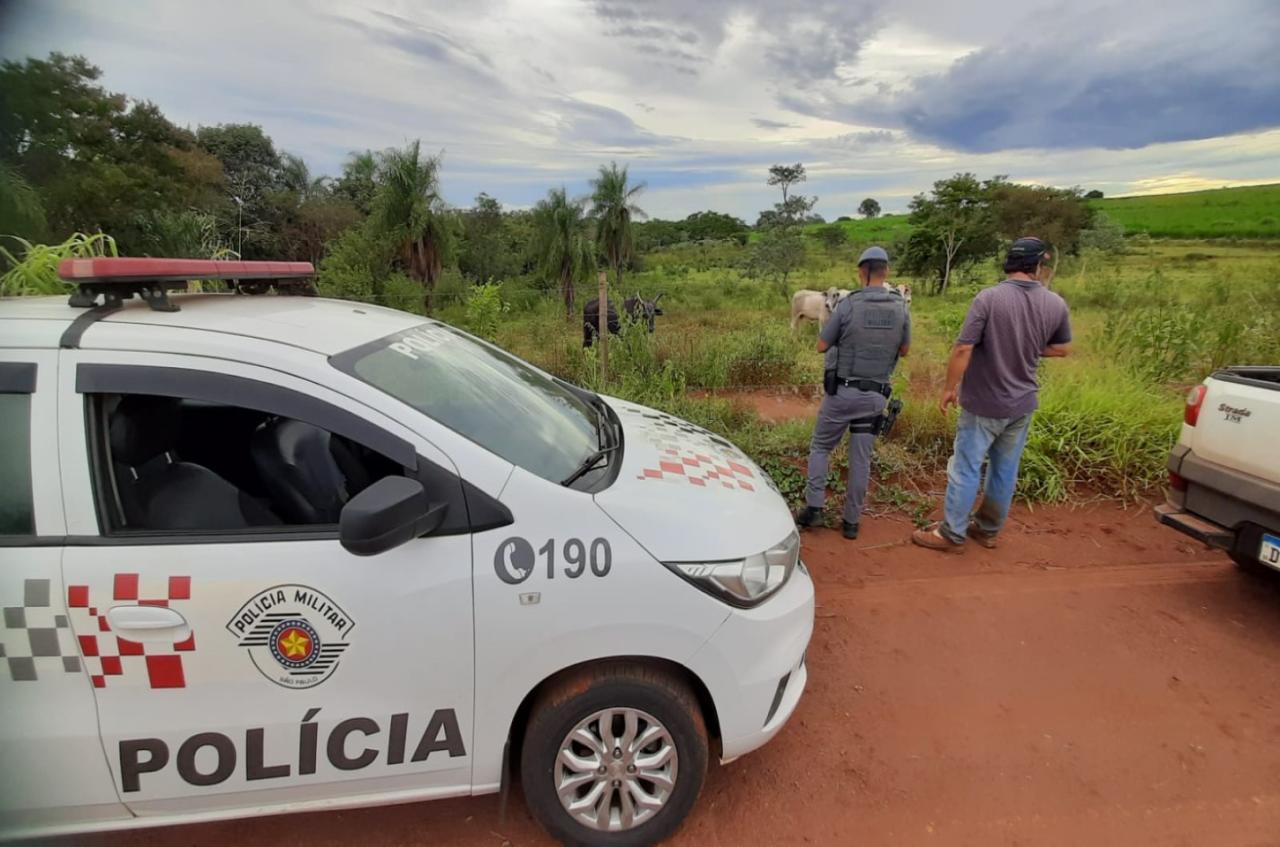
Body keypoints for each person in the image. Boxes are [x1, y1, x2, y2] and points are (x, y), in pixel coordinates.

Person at [912, 236, 1072, 552]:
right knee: (1004, 469)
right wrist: (1027, 346)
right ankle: (987, 530)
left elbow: (963, 348)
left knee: (967, 467)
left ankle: (952, 534)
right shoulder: (1055, 303)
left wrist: (948, 389)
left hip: (983, 403)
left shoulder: (988, 298)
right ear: (1037, 266)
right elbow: (1063, 348)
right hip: (1022, 404)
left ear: (1010, 264)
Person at [795, 246, 910, 539]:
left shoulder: (848, 304)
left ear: (861, 272)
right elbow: (905, 350)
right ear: (888, 272)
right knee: (861, 460)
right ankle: (851, 523)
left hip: (842, 394)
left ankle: (815, 509)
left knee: (821, 446)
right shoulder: (900, 306)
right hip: (875, 398)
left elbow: (821, 345)